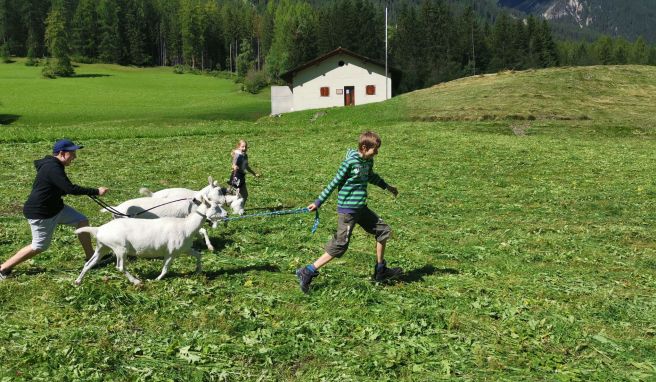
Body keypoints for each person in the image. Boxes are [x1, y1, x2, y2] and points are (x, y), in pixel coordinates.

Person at [296, 131, 402, 293]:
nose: (377, 153)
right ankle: (307, 271)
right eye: (375, 149)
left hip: (361, 208)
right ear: (364, 147)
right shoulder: (350, 163)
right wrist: (318, 202)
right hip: (348, 211)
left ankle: (380, 271)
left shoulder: (368, 162)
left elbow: (370, 177)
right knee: (340, 245)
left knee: (383, 230)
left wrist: (387, 187)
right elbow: (334, 182)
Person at [0, 139, 108, 280]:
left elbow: (57, 186)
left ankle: (91, 258)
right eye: (72, 153)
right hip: (41, 213)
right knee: (39, 246)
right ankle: (3, 269)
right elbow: (70, 189)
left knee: (82, 221)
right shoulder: (52, 167)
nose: (75, 157)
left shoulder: (53, 165)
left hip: (56, 208)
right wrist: (96, 191)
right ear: (62, 153)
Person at [228, 139, 259, 208]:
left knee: (245, 195)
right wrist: (234, 166)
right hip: (236, 176)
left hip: (242, 176)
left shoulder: (245, 156)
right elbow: (234, 163)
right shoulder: (237, 155)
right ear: (239, 146)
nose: (244, 148)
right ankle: (231, 206)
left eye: (246, 147)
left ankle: (240, 207)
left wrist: (254, 173)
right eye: (242, 147)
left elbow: (246, 167)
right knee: (233, 194)